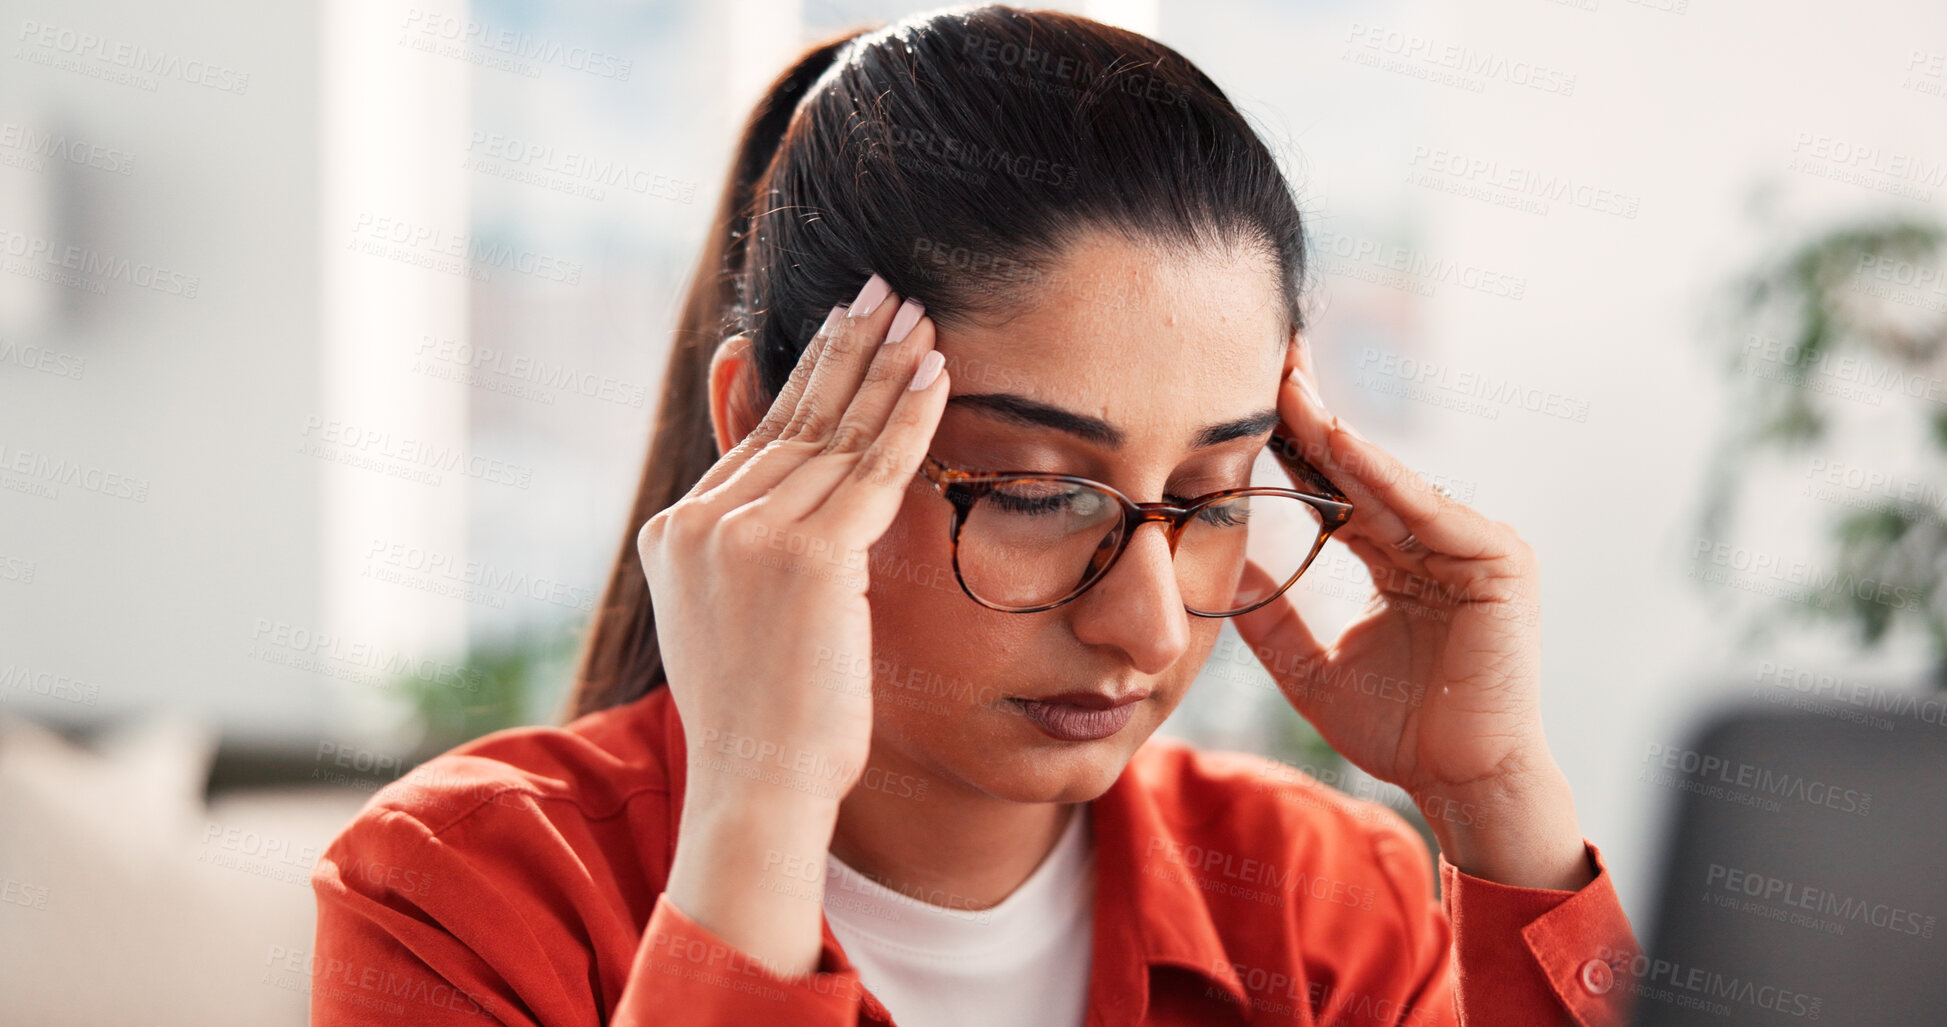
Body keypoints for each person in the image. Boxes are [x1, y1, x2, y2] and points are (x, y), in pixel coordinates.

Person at [311, 6, 1642, 1025]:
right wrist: (757, 809)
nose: (1145, 623)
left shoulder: (1314, 896)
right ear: (761, 437)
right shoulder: (467, 891)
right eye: (1035, 492)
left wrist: (1495, 800)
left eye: (1215, 496)